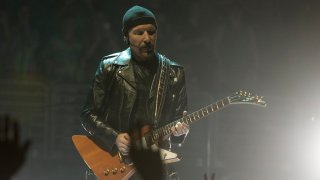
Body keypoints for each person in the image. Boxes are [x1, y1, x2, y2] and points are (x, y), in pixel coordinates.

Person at [80, 5, 189, 179]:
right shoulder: (110, 67)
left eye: (151, 32)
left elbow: (177, 128)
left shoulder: (174, 73)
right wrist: (115, 137)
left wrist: (181, 131)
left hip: (155, 167)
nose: (147, 38)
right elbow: (88, 115)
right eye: (139, 33)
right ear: (126, 36)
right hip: (115, 162)